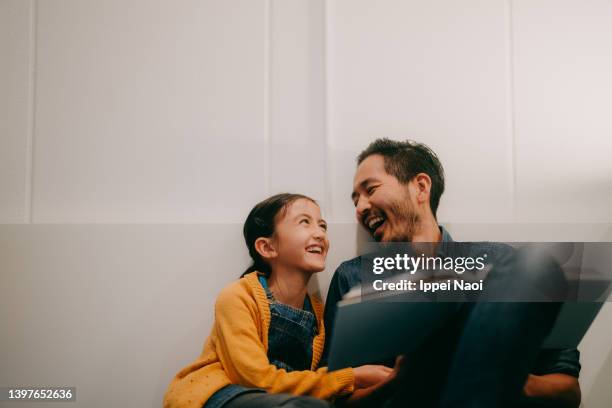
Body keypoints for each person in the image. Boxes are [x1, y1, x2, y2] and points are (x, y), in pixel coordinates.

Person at [323, 139, 582, 408]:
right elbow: (337, 400)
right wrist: (401, 380)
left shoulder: (500, 264)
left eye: (370, 189)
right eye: (355, 200)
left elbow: (569, 391)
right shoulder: (352, 278)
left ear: (420, 187)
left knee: (535, 260)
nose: (360, 208)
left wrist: (504, 375)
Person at [163, 193, 397, 408]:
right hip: (217, 396)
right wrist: (352, 377)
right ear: (267, 247)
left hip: (278, 399)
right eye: (305, 222)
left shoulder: (316, 311)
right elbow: (256, 379)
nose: (320, 233)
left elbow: (308, 382)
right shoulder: (238, 296)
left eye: (322, 225)